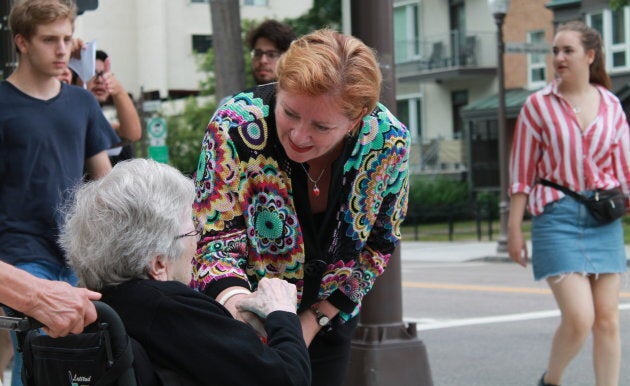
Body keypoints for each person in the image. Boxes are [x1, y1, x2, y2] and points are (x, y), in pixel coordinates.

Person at [191, 28, 410, 386]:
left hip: (328, 318)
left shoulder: (389, 141)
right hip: (235, 315)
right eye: (290, 113)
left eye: (322, 126)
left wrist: (312, 321)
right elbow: (213, 241)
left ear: (358, 119)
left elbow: (379, 244)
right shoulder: (234, 126)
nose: (299, 135)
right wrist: (243, 309)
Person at [59, 159, 311, 386]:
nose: (197, 241)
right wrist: (283, 314)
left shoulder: (92, 309)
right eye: (193, 231)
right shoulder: (170, 309)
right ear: (158, 264)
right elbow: (287, 378)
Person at [0, 1, 118, 384]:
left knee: (76, 361)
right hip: (20, 253)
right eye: (50, 40)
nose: (63, 49)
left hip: (77, 253)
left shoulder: (82, 102)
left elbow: (106, 183)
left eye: (67, 38)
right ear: (21, 41)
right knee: (36, 354)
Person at [507, 20, 630, 386]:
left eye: (568, 51)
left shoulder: (610, 104)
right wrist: (514, 228)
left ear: (590, 56)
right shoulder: (537, 106)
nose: (559, 57)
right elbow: (521, 172)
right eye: (555, 51)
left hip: (603, 219)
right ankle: (552, 380)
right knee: (580, 318)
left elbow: (624, 164)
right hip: (555, 217)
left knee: (607, 320)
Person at [85, 49, 142, 165]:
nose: (100, 80)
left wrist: (118, 91)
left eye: (104, 75)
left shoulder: (106, 126)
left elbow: (132, 134)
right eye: (93, 74)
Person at [247, 19, 296, 85]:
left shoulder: (303, 94)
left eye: (271, 55)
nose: (263, 61)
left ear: (288, 59)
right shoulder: (240, 95)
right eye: (257, 54)